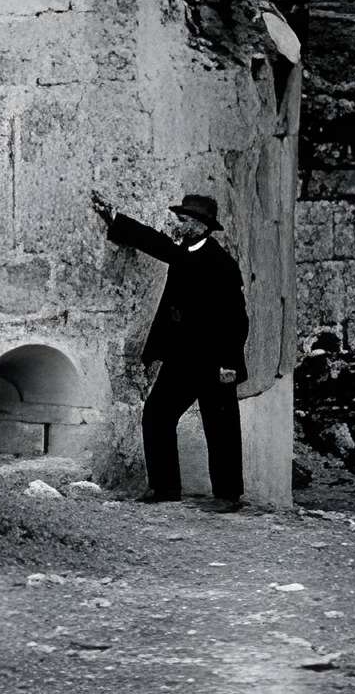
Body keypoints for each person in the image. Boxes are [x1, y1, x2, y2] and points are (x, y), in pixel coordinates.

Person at [90, 186, 249, 511]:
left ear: (201, 225)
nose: (179, 222)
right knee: (157, 415)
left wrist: (229, 363)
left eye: (184, 218)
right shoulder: (184, 251)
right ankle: (164, 489)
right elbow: (154, 243)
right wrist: (116, 218)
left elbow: (237, 319)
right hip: (183, 359)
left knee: (221, 427)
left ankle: (228, 496)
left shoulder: (223, 264)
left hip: (216, 361)